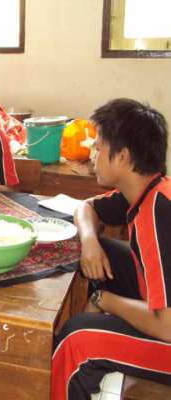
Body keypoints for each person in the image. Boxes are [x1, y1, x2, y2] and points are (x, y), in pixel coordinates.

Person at [51, 98, 171, 400]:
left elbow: (168, 327)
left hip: (168, 328)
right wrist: (90, 242)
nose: (92, 154)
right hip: (159, 309)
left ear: (123, 157)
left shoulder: (158, 214)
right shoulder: (148, 189)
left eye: (98, 147)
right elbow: (86, 207)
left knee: (76, 341)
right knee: (96, 249)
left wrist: (103, 299)